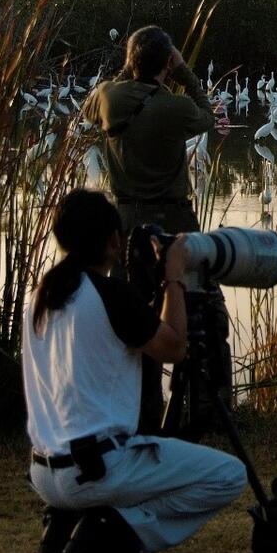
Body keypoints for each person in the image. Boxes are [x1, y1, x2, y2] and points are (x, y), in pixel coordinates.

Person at [23, 189, 246, 553]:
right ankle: (114, 529)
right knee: (229, 475)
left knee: (117, 464)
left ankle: (65, 523)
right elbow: (175, 347)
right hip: (97, 470)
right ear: (113, 240)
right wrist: (174, 277)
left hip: (45, 475)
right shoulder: (109, 295)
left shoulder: (40, 296)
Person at [83, 25, 217, 431]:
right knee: (197, 313)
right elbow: (208, 115)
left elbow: (90, 107)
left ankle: (140, 415)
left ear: (130, 62)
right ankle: (193, 411)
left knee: (132, 319)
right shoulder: (173, 107)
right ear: (167, 63)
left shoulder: (108, 96)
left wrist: (130, 70)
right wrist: (184, 73)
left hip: (123, 228)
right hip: (174, 225)